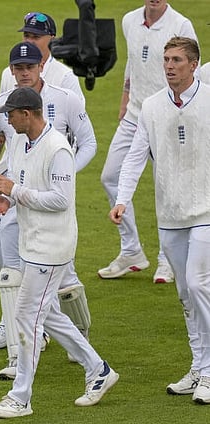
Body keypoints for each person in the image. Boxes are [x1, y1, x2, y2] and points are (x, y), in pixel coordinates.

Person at [0, 87, 118, 418]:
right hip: (33, 243)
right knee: (49, 314)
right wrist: (8, 197)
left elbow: (60, 199)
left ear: (28, 114)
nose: (7, 119)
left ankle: (21, 397)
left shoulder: (59, 149)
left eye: (11, 114)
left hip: (52, 247)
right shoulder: (21, 142)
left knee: (28, 317)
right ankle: (98, 370)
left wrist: (16, 191)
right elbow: (22, 181)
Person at [0, 42, 97, 377]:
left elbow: (88, 142)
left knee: (64, 281)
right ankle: (19, 351)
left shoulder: (66, 97)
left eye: (29, 66)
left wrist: (67, 173)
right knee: (10, 267)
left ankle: (83, 342)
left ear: (42, 65)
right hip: (16, 194)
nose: (24, 72)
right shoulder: (4, 106)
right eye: (18, 67)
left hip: (47, 199)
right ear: (11, 70)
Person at [110, 37, 210, 404]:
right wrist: (122, 200)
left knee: (200, 285)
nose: (169, 66)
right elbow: (136, 156)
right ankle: (199, 367)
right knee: (185, 294)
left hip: (206, 212)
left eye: (177, 60)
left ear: (194, 65)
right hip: (169, 214)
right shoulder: (151, 106)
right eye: (166, 59)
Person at [98, 0, 196, 283]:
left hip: (166, 118)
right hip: (134, 116)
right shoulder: (129, 20)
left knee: (166, 187)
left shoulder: (181, 25)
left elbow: (193, 69)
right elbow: (132, 63)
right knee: (110, 176)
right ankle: (131, 250)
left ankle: (166, 260)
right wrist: (125, 99)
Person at [0, 12, 84, 99]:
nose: (29, 41)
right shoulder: (8, 73)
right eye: (26, 36)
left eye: (36, 37)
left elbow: (77, 111)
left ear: (52, 39)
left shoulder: (65, 77)